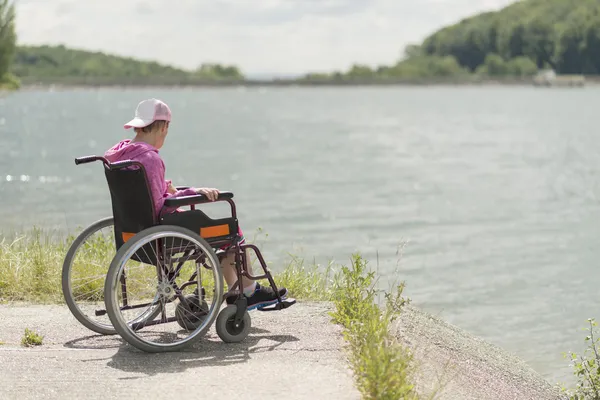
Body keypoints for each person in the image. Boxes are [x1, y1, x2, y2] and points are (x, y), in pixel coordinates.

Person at [104, 98, 287, 310]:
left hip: (133, 232)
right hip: (160, 233)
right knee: (231, 230)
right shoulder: (150, 158)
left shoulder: (122, 155)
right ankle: (248, 289)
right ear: (164, 127)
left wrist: (168, 187)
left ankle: (237, 290)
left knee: (216, 232)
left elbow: (144, 192)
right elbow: (160, 206)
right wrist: (194, 192)